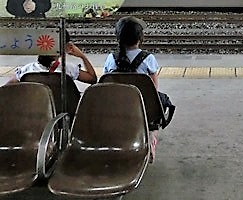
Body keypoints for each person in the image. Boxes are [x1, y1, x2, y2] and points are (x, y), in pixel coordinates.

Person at [103, 16, 161, 162]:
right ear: (140, 38)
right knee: (160, 104)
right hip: (142, 104)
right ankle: (151, 137)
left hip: (117, 104)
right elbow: (153, 88)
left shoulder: (111, 58)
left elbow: (105, 82)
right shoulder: (148, 58)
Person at [8, 33, 97, 85]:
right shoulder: (68, 69)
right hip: (62, 114)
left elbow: (5, 88)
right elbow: (92, 79)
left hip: (35, 114)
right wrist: (82, 56)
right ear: (65, 48)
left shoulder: (26, 70)